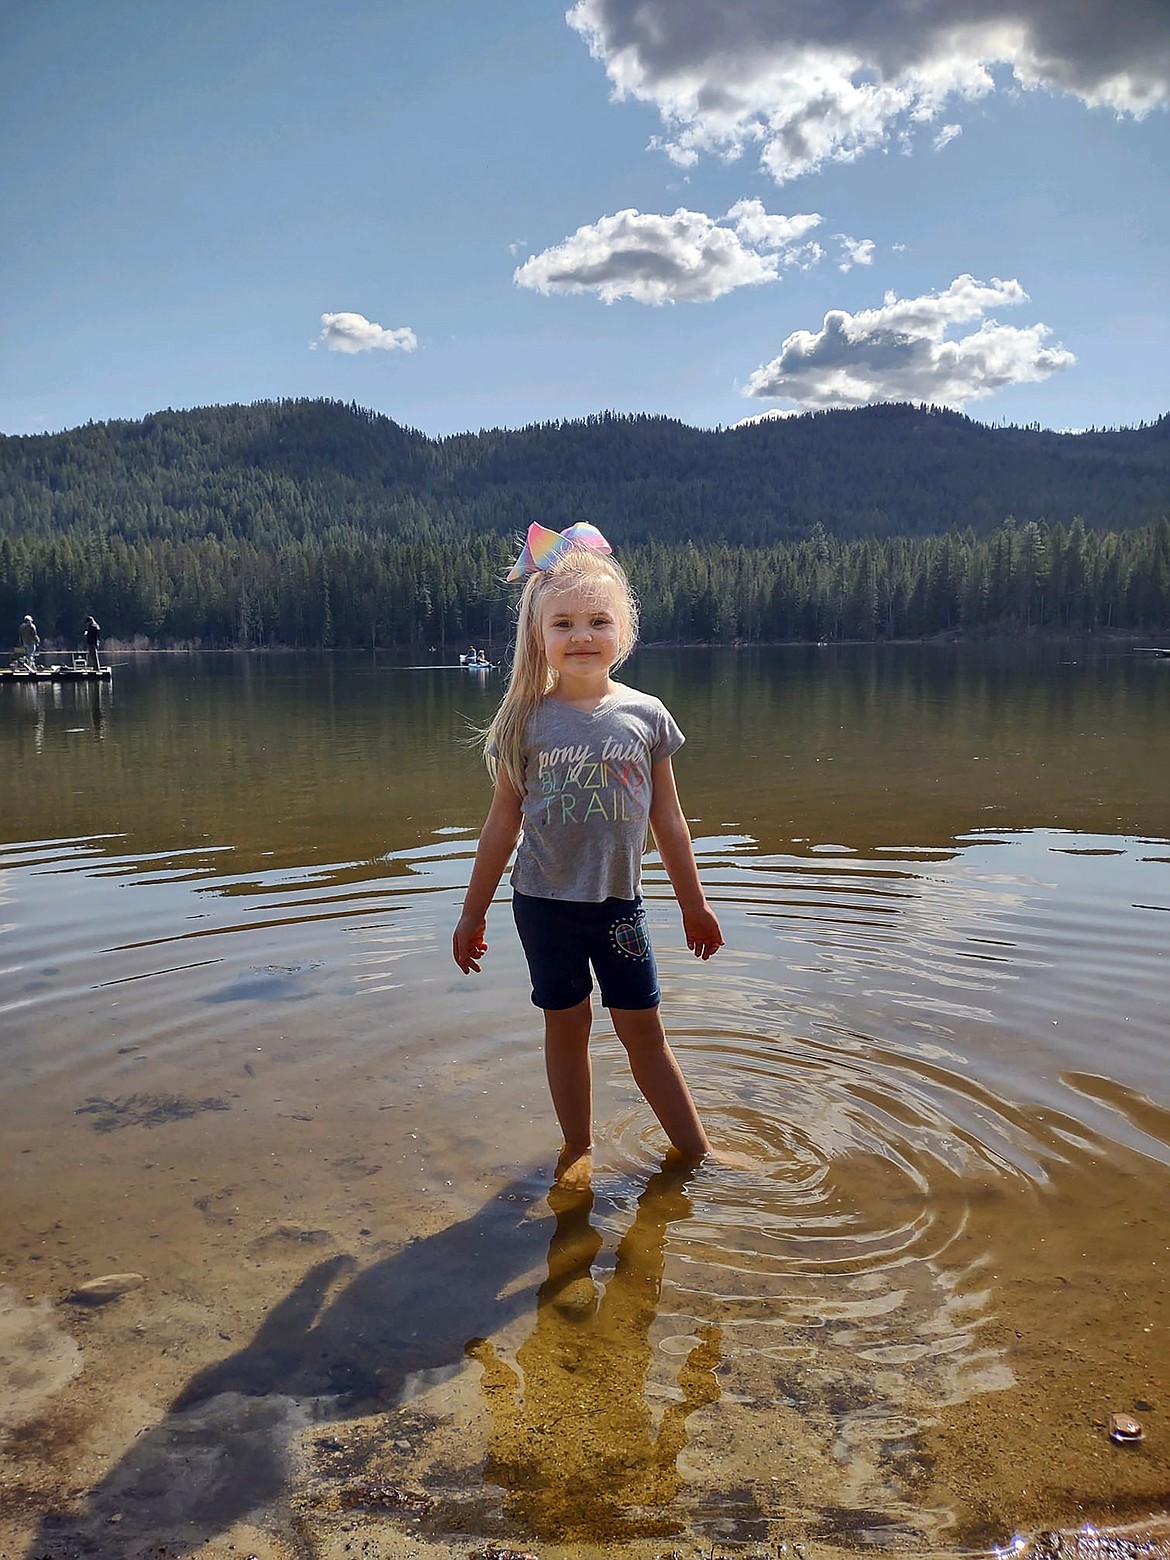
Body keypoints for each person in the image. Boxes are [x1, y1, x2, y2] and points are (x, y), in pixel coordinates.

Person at [452, 522, 723, 1180]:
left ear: (622, 633)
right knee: (566, 1024)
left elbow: (670, 819)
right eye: (563, 623)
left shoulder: (647, 717)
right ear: (539, 637)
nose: (580, 636)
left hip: (620, 907)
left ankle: (697, 1154)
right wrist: (472, 913)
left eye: (598, 621)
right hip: (543, 905)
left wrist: (695, 905)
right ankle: (577, 1148)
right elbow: (499, 828)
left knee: (643, 1032)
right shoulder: (524, 721)